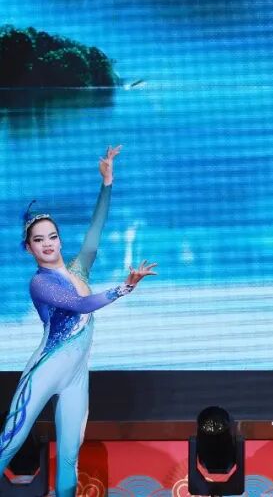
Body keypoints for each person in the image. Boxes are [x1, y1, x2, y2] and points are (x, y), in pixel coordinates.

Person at [0, 147, 156, 496]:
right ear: (29, 248)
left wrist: (107, 183)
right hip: (43, 371)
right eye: (38, 240)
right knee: (9, 444)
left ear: (59, 240)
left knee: (70, 457)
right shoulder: (40, 283)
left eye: (52, 237)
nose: (47, 244)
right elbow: (80, 304)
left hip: (75, 377)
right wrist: (124, 288)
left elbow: (95, 231)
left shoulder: (79, 269)